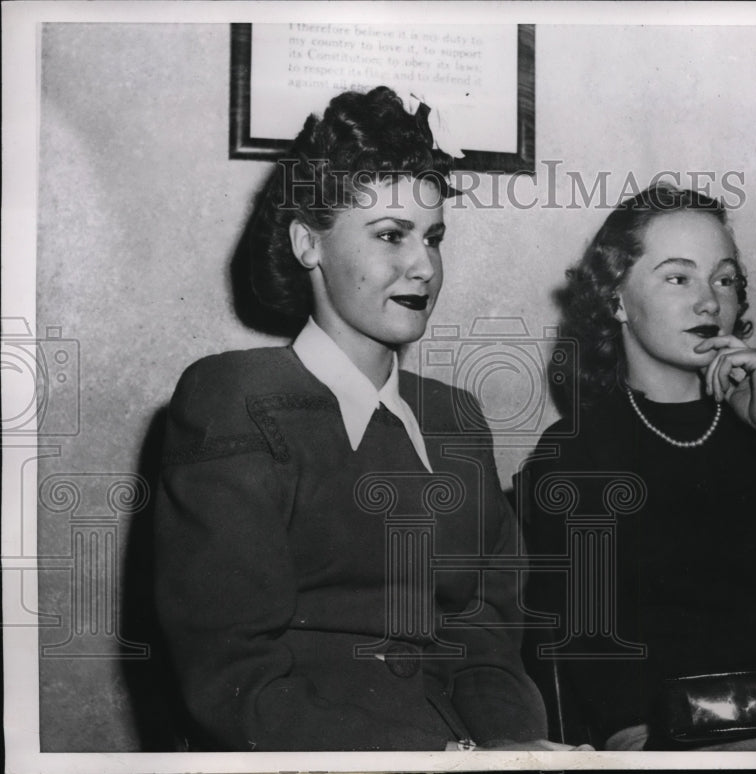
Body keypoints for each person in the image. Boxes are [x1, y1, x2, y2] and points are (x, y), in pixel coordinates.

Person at [154, 86, 564, 752]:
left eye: (433, 237)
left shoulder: (455, 418)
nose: (424, 265)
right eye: (390, 236)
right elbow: (236, 678)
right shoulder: (234, 400)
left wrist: (512, 752)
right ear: (307, 244)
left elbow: (486, 641)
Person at [517, 184, 756, 751]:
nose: (709, 302)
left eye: (724, 279)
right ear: (616, 299)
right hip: (671, 740)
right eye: (678, 277)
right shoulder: (572, 456)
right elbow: (588, 667)